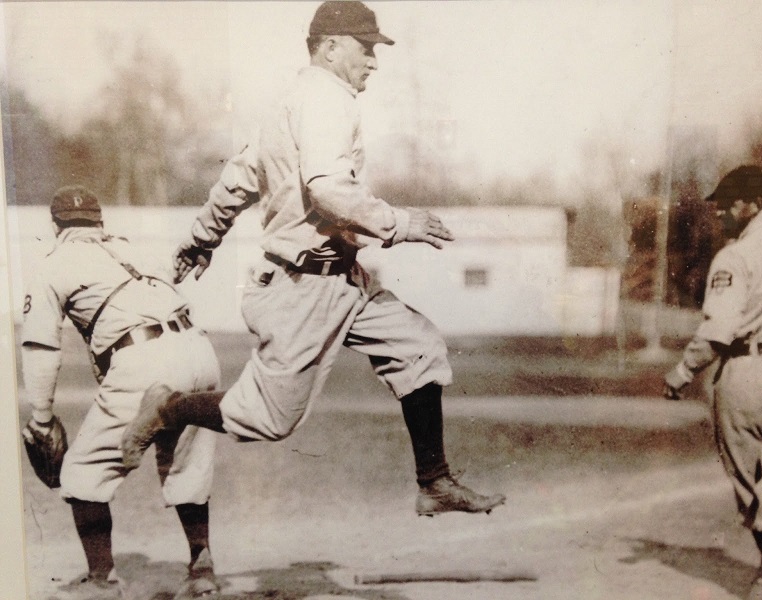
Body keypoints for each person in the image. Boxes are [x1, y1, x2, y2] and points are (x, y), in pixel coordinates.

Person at [122, 0, 505, 517]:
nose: (373, 61)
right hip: (302, 286)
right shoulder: (327, 99)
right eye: (365, 48)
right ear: (328, 47)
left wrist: (201, 239)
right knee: (268, 419)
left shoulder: (291, 103)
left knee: (419, 348)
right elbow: (327, 190)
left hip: (342, 277)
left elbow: (237, 182)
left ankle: (434, 481)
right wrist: (401, 224)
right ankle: (169, 407)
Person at [20, 186, 222, 599]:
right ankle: (202, 569)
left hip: (144, 359)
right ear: (100, 222)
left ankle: (101, 581)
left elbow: (42, 347)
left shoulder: (53, 264)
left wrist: (41, 416)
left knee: (81, 474)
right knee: (186, 464)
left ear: (56, 225)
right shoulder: (136, 250)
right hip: (199, 351)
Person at [663, 165, 762, 600]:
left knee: (750, 480)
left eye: (729, 202)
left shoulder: (734, 256)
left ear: (755, 204)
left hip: (747, 371)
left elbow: (719, 331)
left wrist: (683, 372)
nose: (720, 210)